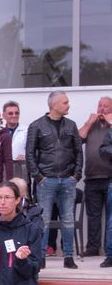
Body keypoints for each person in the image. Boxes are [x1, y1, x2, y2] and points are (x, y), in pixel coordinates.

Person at [26, 90, 82, 269]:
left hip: (67, 179)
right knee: (44, 220)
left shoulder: (71, 125)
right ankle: (40, 256)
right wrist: (39, 177)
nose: (68, 105)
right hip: (46, 180)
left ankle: (68, 257)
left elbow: (78, 152)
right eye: (65, 102)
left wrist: (76, 175)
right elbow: (29, 154)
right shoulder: (37, 126)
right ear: (54, 105)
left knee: (68, 219)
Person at [9, 177, 44, 285]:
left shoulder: (34, 213)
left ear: (21, 197)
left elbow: (37, 234)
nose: (5, 200)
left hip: (27, 263)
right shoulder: (2, 212)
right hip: (6, 264)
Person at [78, 97, 112, 257]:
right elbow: (77, 139)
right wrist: (88, 123)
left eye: (105, 106)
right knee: (93, 216)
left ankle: (109, 249)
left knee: (111, 217)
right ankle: (92, 247)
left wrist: (111, 122)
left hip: (110, 178)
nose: (102, 109)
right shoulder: (91, 126)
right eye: (100, 105)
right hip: (91, 178)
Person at [2, 101, 27, 181]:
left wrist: (25, 156)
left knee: (21, 192)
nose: (14, 115)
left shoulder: (27, 130)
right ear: (4, 115)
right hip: (3, 169)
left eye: (17, 113)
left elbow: (34, 150)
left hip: (21, 168)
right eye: (10, 113)